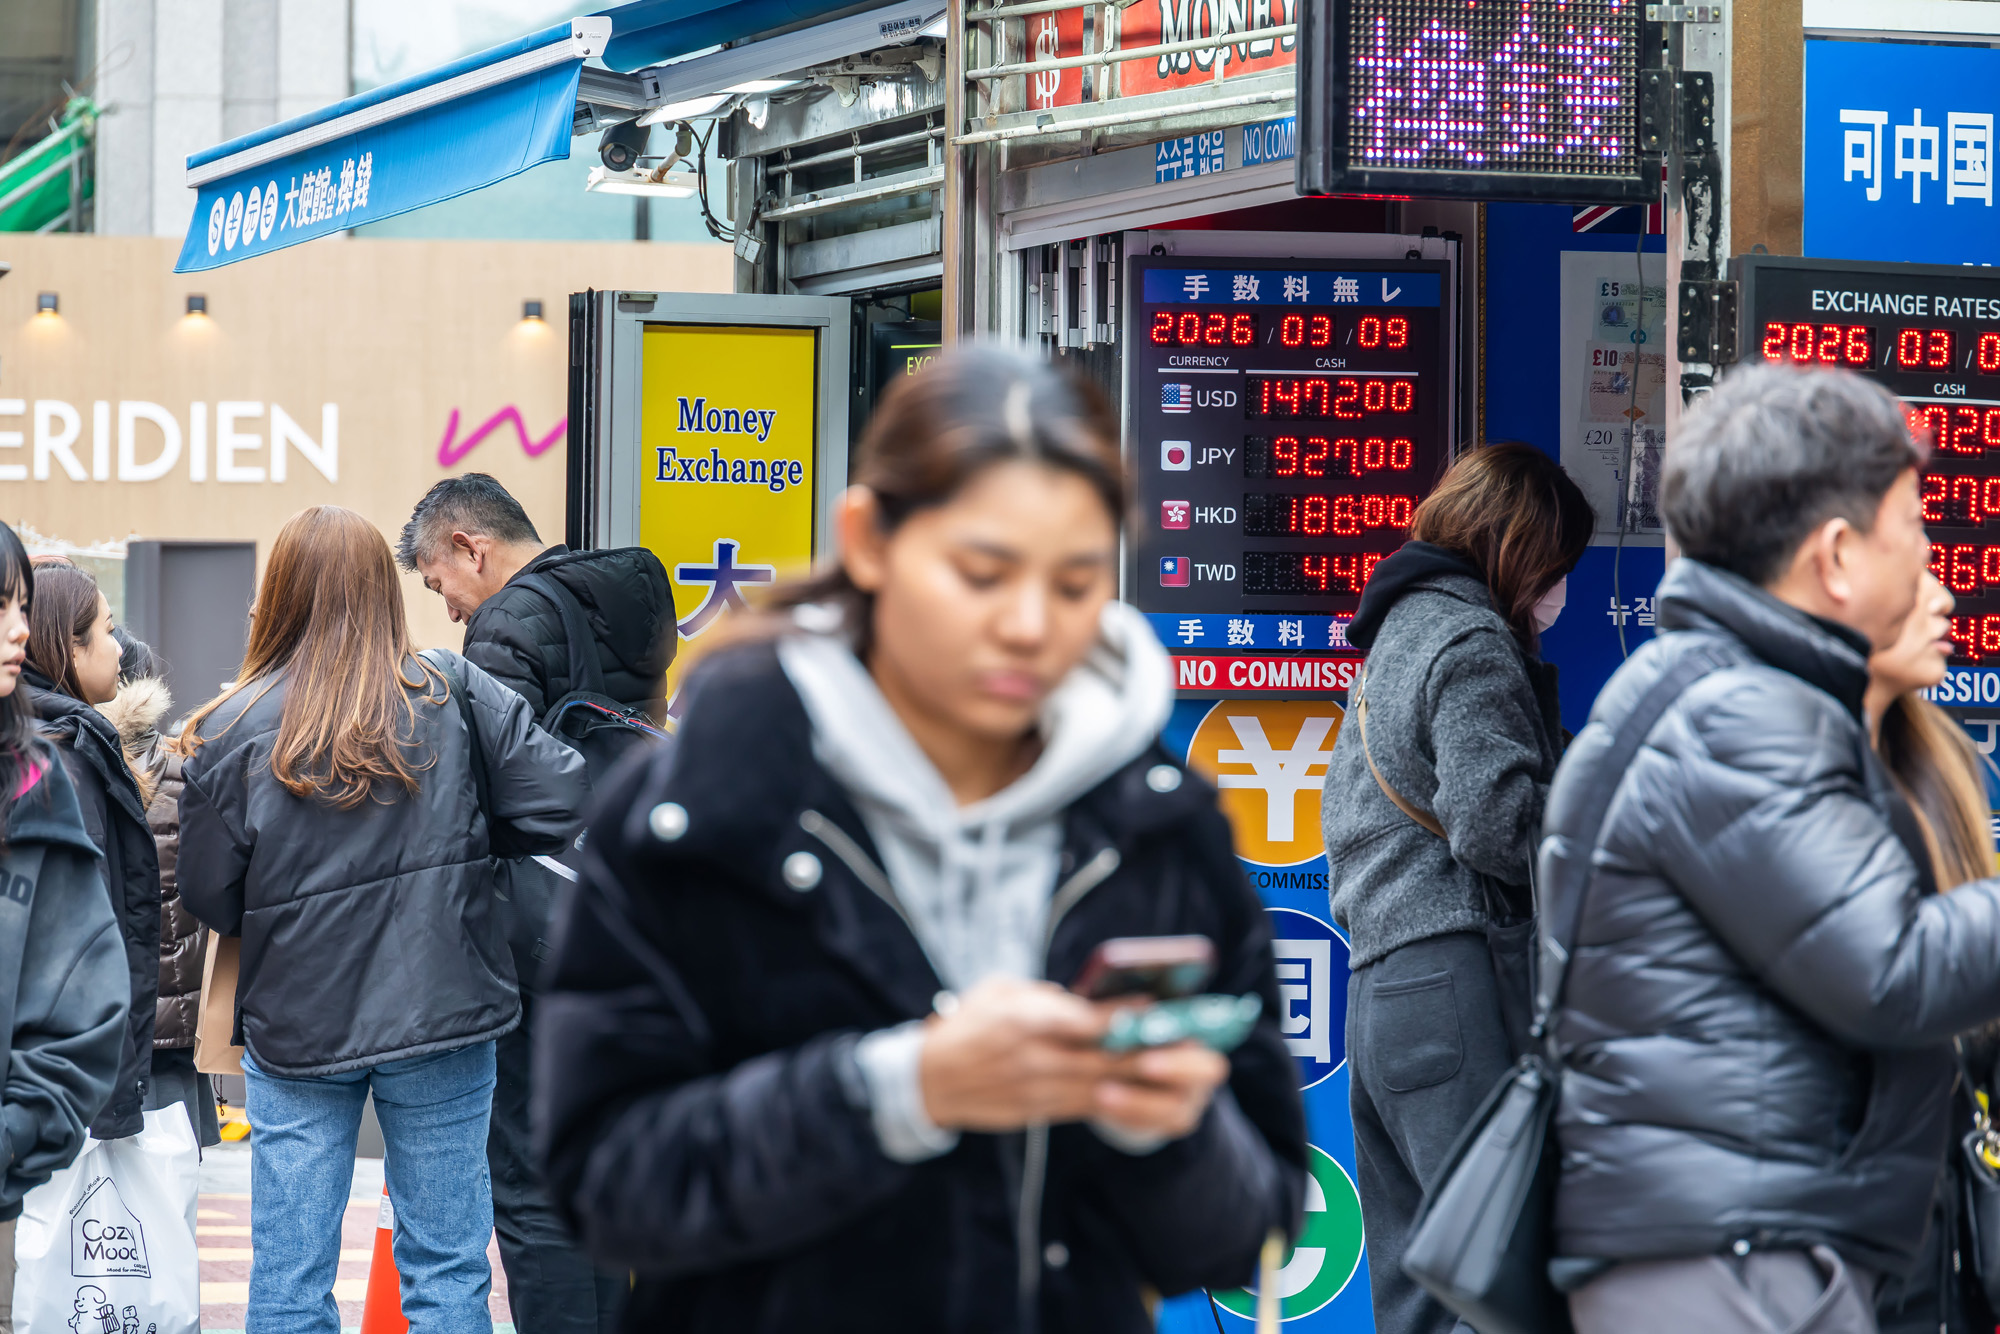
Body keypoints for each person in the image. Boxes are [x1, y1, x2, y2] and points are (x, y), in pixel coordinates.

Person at [532, 346, 1307, 1334]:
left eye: (1073, 584)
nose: (1028, 625)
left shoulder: (1159, 824)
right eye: (982, 573)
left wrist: (1161, 1128)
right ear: (867, 539)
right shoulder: (701, 808)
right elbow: (605, 1180)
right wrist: (900, 1088)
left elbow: (1249, 1229)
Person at [1544, 363, 2000, 1334]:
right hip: (1728, 1254)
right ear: (1835, 556)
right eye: (1911, 530)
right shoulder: (1741, 712)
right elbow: (1890, 970)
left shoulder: (1716, 689)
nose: (1928, 561)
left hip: (1736, 1237)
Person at [175, 505, 588, 1334]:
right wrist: (470, 841)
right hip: (447, 1010)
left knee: (290, 1275)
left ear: (282, 594)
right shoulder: (452, 688)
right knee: (446, 1266)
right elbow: (565, 793)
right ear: (379, 592)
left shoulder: (232, 726)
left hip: (298, 1027)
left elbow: (210, 896)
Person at [1317, 441, 1593, 1334]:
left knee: (1422, 1294)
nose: (1558, 590)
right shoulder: (1469, 638)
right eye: (1556, 566)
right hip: (1455, 987)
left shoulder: (1394, 638)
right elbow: (1494, 823)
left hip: (1379, 995)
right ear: (1521, 547)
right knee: (1504, 1288)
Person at [396, 474, 674, 1334]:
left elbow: (488, 791)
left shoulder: (508, 624)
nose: (446, 609)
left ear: (473, 548)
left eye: (441, 583)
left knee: (528, 1177)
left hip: (535, 939)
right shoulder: (625, 599)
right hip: (629, 918)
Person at [1861, 573, 1999, 1334]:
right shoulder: (1772, 769)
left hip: (1937, 1206)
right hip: (1832, 1217)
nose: (1946, 595)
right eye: (1908, 567)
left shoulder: (1943, 755)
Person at [0, 521, 128, 1331]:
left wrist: (13, 1137)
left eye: (20, 605)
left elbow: (86, 1003)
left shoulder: (35, 781)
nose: (19, 627)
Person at [20, 564, 160, 1144]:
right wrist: (112, 1098)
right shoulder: (66, 758)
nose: (118, 650)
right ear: (68, 648)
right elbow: (86, 942)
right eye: (104, 631)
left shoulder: (48, 741)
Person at [96, 632, 220, 1150]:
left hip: (103, 1024)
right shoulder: (188, 769)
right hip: (176, 1026)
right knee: (168, 1199)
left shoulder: (83, 763)